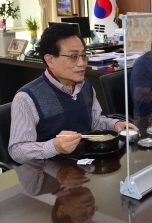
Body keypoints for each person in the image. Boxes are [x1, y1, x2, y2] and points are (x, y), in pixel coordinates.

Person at [9, 23, 137, 163]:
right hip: (49, 172)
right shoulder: (27, 98)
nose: (82, 63)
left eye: (84, 55)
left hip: (85, 165)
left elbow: (95, 122)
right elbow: (17, 150)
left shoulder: (85, 86)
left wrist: (114, 125)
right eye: (73, 57)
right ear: (50, 60)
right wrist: (53, 146)